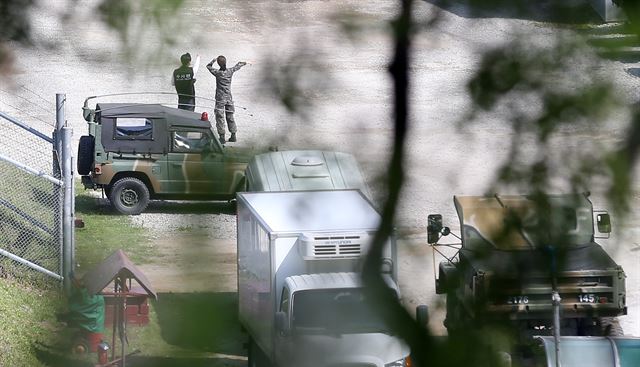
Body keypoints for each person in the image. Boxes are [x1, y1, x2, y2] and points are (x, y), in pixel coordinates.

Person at [207, 55, 246, 143]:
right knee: (230, 116)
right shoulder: (230, 71)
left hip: (220, 98)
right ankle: (233, 135)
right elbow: (237, 66)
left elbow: (208, 66)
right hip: (229, 98)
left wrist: (213, 60)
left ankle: (222, 137)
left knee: (220, 117)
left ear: (219, 64)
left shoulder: (217, 73)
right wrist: (244, 63)